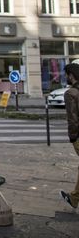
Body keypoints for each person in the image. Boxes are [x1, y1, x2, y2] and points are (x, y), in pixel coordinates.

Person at [61, 63, 79, 208]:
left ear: (71, 75)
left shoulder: (71, 93)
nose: (65, 77)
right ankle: (74, 197)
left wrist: (73, 137)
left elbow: (72, 118)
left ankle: (74, 197)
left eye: (66, 74)